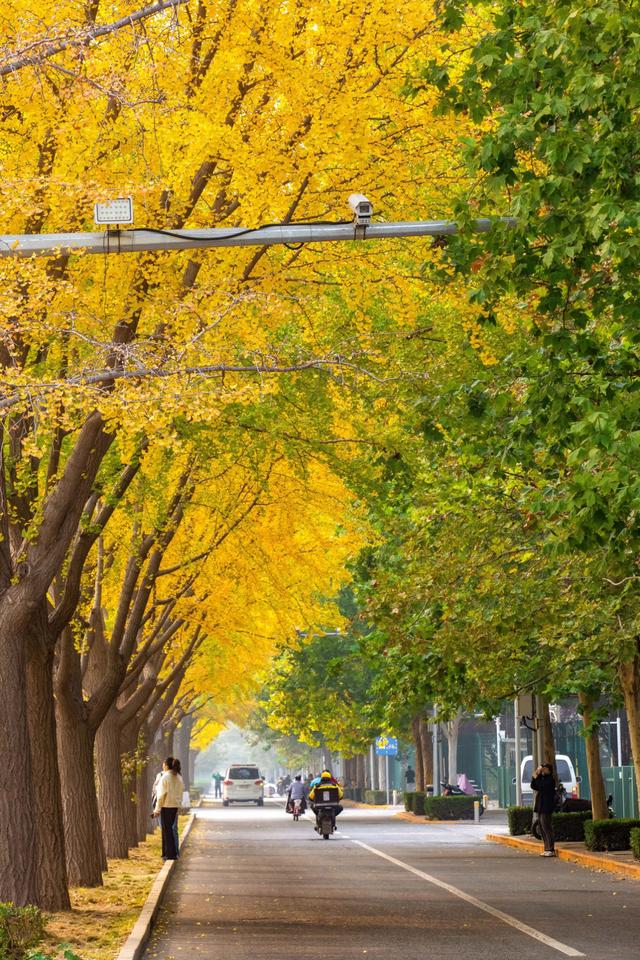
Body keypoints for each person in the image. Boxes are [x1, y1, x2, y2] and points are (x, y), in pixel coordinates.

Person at [153, 756, 184, 861]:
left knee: (167, 831)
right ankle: (171, 853)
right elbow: (181, 792)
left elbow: (161, 795)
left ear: (166, 766)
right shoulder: (179, 777)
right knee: (170, 830)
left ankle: (170, 855)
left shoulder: (165, 777)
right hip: (175, 806)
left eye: (163, 765)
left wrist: (157, 809)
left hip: (166, 806)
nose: (163, 766)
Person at [531, 762, 556, 856]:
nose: (543, 770)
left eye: (545, 768)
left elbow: (542, 786)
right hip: (540, 806)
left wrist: (537, 778)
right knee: (541, 828)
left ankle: (551, 849)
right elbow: (534, 786)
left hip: (546, 806)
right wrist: (535, 776)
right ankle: (546, 848)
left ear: (549, 770)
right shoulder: (542, 778)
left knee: (546, 827)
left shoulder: (550, 780)